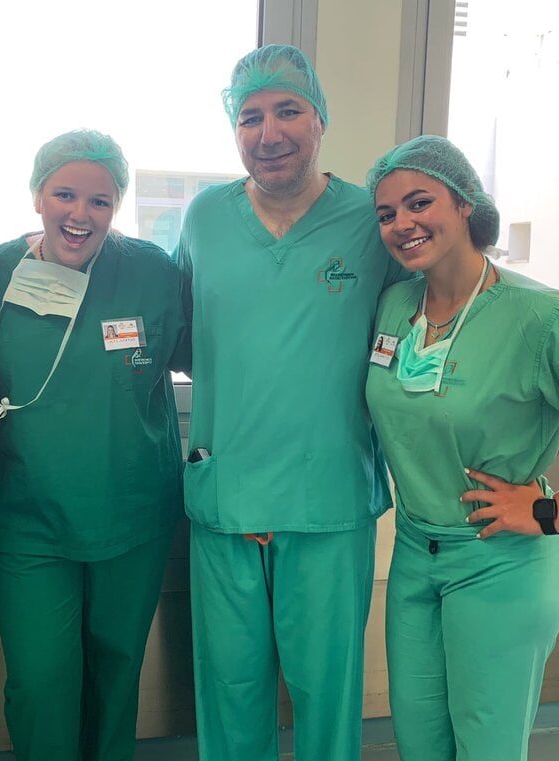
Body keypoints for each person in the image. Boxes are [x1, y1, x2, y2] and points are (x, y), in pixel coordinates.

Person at [364, 134, 559, 761]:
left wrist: (547, 511)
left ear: (464, 205)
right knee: (421, 743)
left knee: (485, 746)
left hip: (500, 561)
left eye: (419, 202)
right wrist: (539, 420)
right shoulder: (395, 305)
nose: (402, 223)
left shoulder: (542, 318)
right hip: (414, 555)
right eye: (386, 214)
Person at [175, 45, 410, 761]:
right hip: (228, 493)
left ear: (321, 120)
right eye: (250, 117)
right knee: (230, 692)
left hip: (327, 499)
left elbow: (439, 309)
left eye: (287, 111)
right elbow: (183, 335)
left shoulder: (369, 221)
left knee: (325, 692)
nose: (267, 133)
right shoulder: (205, 218)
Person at [0, 129, 191, 761]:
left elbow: (210, 361)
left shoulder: (152, 272)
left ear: (116, 205)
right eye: (65, 193)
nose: (79, 214)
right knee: (40, 680)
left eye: (100, 200)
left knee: (117, 671)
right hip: (32, 519)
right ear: (37, 195)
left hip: (134, 511)